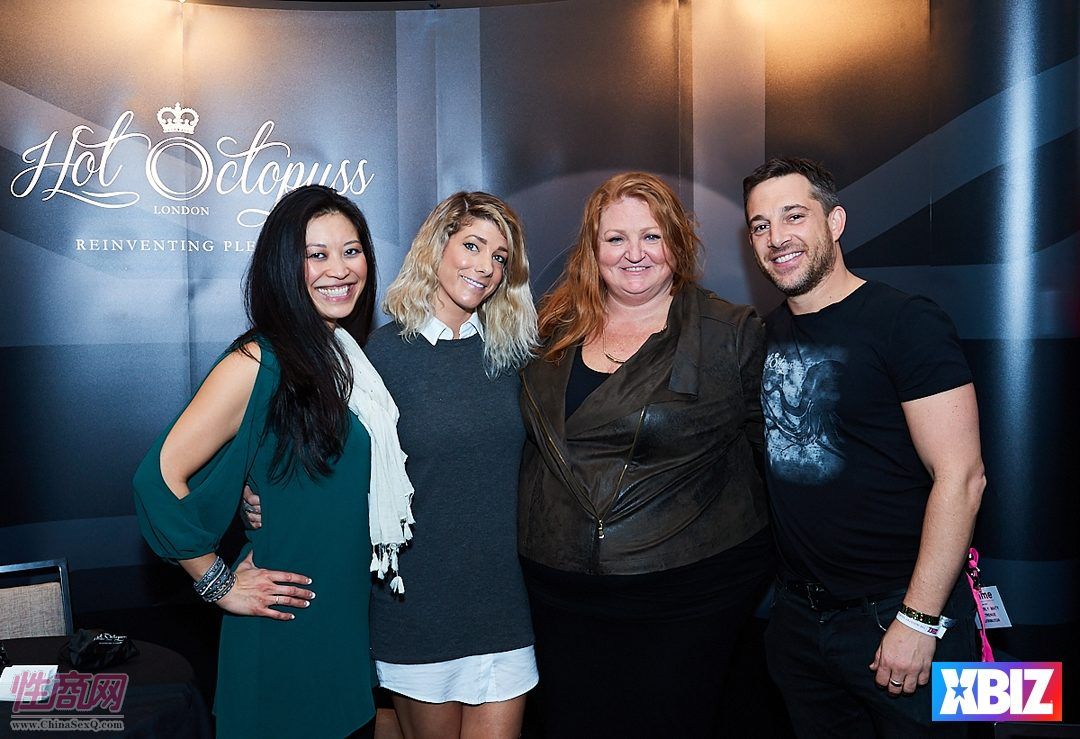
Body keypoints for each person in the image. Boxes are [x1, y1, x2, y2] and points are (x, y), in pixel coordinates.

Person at [245, 192, 539, 739]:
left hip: (503, 603)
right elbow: (317, 460)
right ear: (436, 247)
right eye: (472, 246)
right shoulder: (373, 358)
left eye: (499, 257)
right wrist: (256, 496)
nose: (484, 267)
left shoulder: (517, 357)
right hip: (415, 605)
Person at [133, 185, 414, 739]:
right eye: (317, 255)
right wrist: (217, 582)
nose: (340, 269)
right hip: (285, 628)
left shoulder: (346, 359)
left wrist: (258, 490)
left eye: (351, 250)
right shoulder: (259, 359)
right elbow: (156, 479)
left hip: (343, 629)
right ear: (285, 267)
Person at [518, 171, 773, 738]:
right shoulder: (548, 328)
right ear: (593, 249)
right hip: (555, 594)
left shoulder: (730, 333)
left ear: (676, 242)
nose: (634, 253)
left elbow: (775, 463)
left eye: (651, 236)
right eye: (615, 238)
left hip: (683, 598)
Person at [743, 157, 986, 737]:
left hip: (906, 616)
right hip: (799, 625)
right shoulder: (764, 334)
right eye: (760, 225)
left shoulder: (906, 321)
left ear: (835, 222)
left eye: (794, 216)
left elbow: (962, 476)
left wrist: (919, 620)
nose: (777, 238)